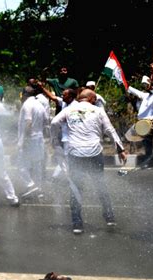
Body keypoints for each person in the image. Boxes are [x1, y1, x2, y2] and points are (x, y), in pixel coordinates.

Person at [50, 89, 127, 234]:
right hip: (94, 153)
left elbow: (54, 122)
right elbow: (110, 129)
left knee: (76, 188)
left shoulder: (70, 109)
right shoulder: (98, 111)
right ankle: (109, 217)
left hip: (75, 153)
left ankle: (77, 224)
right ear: (91, 99)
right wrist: (120, 149)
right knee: (100, 184)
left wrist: (55, 142)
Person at [17, 86, 48, 198]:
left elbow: (28, 122)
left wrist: (25, 139)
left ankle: (30, 185)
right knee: (37, 165)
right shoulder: (39, 104)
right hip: (39, 138)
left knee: (21, 164)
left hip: (29, 138)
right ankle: (38, 190)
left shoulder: (27, 105)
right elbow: (46, 120)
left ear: (24, 94)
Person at [127, 75, 153, 167]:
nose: (145, 87)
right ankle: (150, 161)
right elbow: (136, 92)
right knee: (147, 144)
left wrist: (151, 87)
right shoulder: (146, 95)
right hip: (146, 124)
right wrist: (125, 84)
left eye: (146, 85)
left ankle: (151, 161)